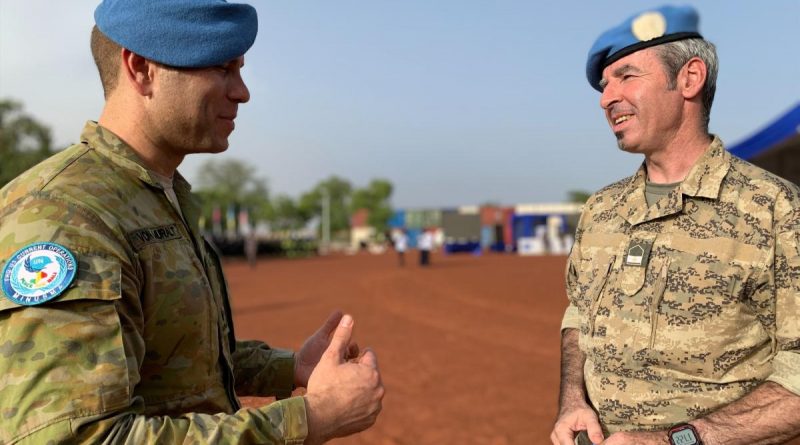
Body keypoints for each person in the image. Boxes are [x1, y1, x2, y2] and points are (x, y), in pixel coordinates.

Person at [0, 1, 384, 443]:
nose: (241, 92)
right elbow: (81, 437)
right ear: (141, 68)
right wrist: (312, 418)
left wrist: (290, 368)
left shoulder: (155, 196)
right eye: (221, 68)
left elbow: (175, 359)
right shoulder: (67, 216)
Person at [551, 5, 800, 445]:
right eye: (604, 85)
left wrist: (677, 441)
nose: (606, 98)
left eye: (626, 77)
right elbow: (578, 317)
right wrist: (572, 401)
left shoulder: (775, 210)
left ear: (689, 78)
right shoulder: (602, 210)